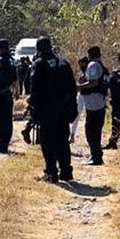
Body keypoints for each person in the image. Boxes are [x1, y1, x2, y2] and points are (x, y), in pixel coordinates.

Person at [29, 36, 77, 182]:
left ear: (38, 49)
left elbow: (35, 91)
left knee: (48, 141)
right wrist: (71, 109)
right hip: (63, 110)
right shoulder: (64, 64)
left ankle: (51, 172)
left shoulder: (39, 64)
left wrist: (34, 111)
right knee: (62, 140)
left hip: (47, 111)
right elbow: (73, 89)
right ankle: (66, 171)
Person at [76, 46, 109, 165]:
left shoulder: (93, 65)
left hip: (94, 104)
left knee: (91, 131)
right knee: (95, 130)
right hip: (98, 102)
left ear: (90, 55)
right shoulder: (100, 65)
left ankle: (96, 157)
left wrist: (79, 87)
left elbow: (93, 82)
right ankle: (96, 155)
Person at [69, 57, 89, 143]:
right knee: (76, 115)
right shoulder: (82, 73)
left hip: (89, 97)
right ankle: (72, 135)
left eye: (82, 64)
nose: (81, 66)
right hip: (81, 96)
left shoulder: (90, 72)